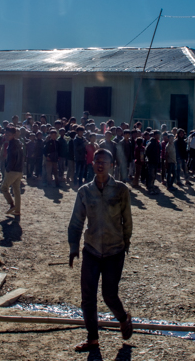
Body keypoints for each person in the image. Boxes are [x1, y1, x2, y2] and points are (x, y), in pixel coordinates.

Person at [67, 149, 134, 352]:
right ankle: (92, 338)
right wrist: (73, 246)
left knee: (109, 294)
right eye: (97, 161)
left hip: (115, 251)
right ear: (93, 164)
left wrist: (125, 243)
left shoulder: (121, 190)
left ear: (112, 165)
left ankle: (123, 318)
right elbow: (76, 221)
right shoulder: (84, 191)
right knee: (88, 296)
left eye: (104, 162)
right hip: (91, 250)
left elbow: (127, 221)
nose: (100, 165)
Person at [0, 126, 23, 216]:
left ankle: (12, 205)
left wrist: (8, 169)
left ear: (14, 135)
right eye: (6, 134)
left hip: (12, 170)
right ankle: (17, 210)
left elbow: (12, 159)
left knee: (3, 188)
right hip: (19, 170)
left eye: (9, 134)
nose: (7, 136)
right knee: (16, 190)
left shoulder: (12, 145)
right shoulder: (19, 143)